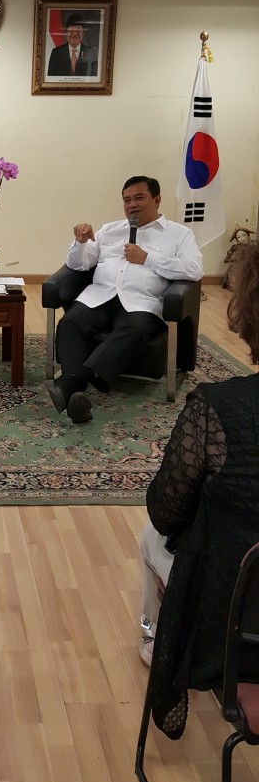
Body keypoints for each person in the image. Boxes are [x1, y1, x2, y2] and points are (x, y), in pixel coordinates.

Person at [138, 239, 259, 738]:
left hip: (233, 629)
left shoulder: (218, 409)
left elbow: (166, 511)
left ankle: (155, 640)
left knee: (152, 536)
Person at [48, 176, 203, 424]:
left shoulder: (179, 235)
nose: (132, 205)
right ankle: (77, 396)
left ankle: (70, 385)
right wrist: (80, 243)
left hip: (142, 302)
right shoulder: (109, 230)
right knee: (70, 322)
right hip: (100, 295)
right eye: (127, 200)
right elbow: (79, 265)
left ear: (157, 200)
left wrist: (148, 258)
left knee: (133, 329)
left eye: (139, 198)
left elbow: (193, 269)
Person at [47, 13, 98, 78]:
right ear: (66, 33)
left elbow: (94, 78)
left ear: (83, 34)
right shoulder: (56, 53)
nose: (75, 34)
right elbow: (51, 79)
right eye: (71, 31)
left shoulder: (91, 53)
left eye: (78, 31)